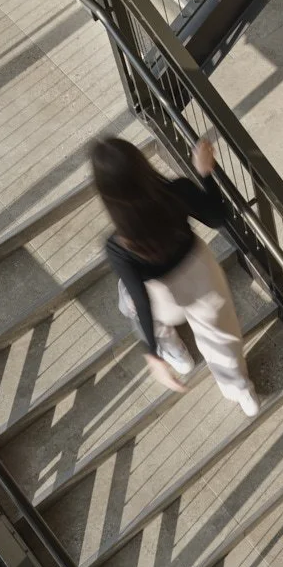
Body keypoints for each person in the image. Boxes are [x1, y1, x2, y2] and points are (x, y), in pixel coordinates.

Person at [89, 135, 260, 418]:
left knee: (127, 297)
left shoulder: (118, 246)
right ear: (142, 166)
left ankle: (175, 352)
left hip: (164, 300)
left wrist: (152, 355)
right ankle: (240, 390)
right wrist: (205, 172)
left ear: (107, 195)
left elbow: (141, 301)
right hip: (202, 276)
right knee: (221, 336)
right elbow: (217, 217)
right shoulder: (176, 191)